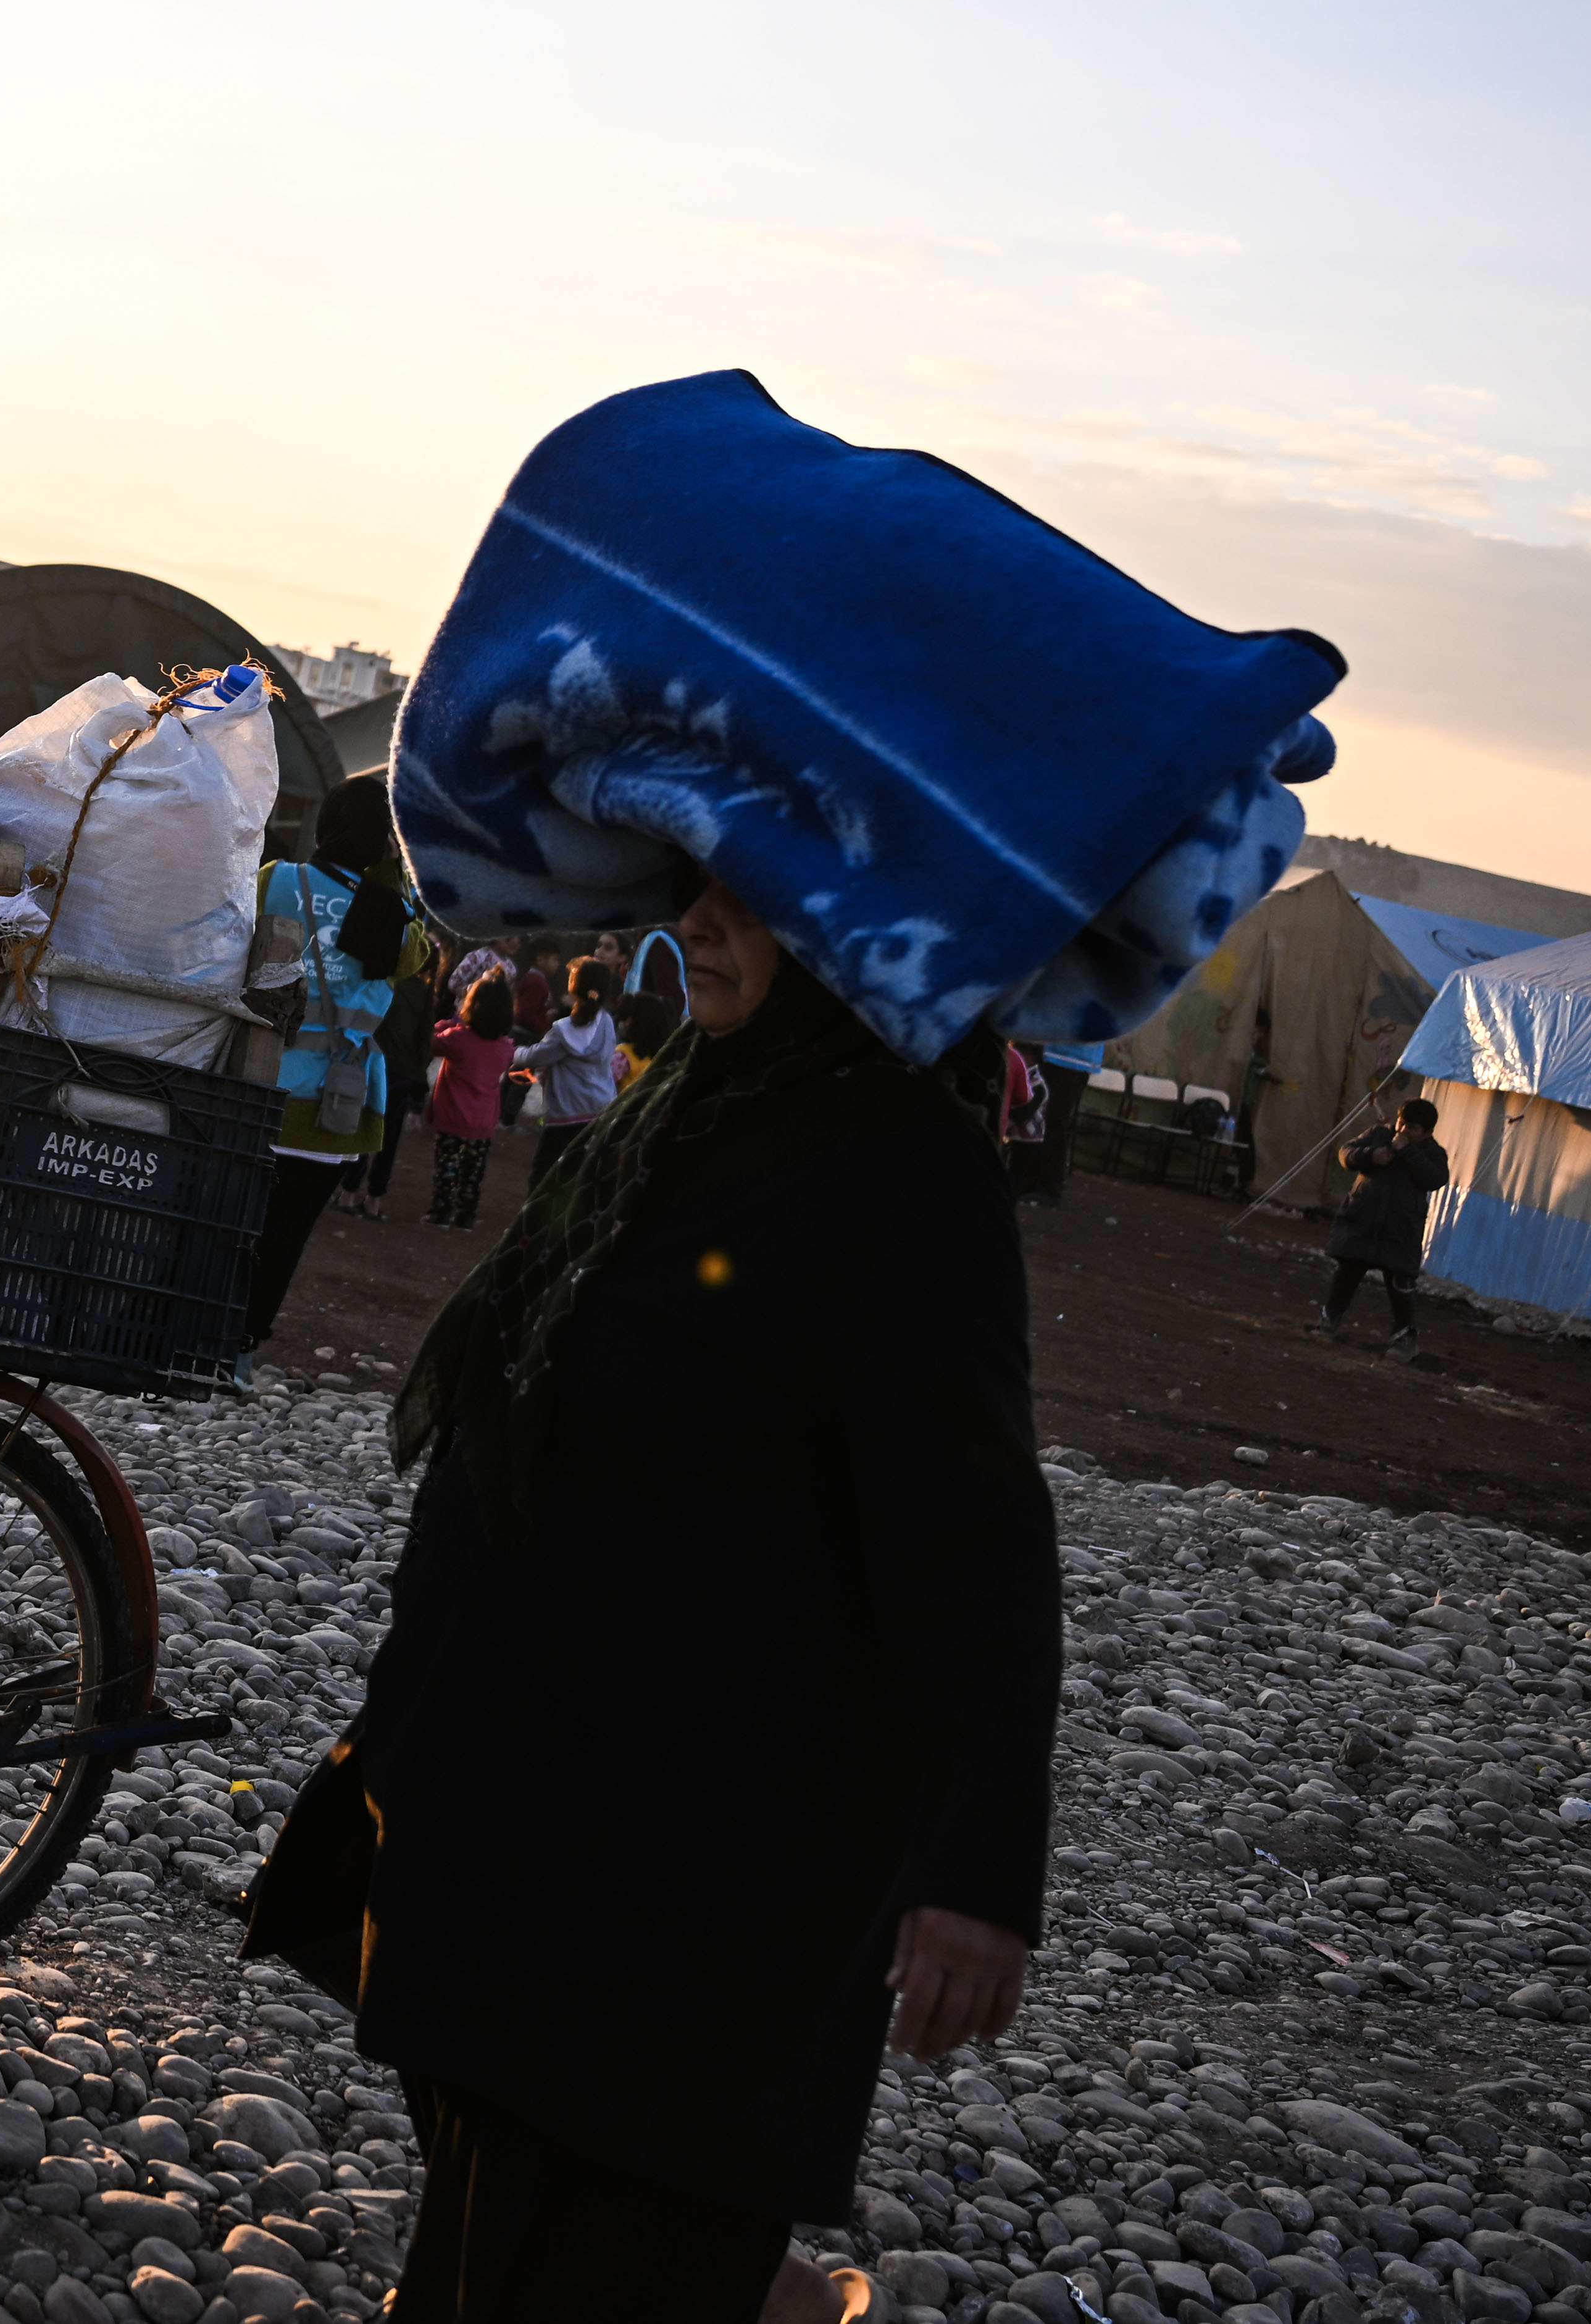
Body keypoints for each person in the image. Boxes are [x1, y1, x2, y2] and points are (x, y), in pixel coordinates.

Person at [246, 871, 1058, 2316]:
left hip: (693, 1878)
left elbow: (975, 1544)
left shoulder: (908, 1185)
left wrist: (978, 1867)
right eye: (706, 880)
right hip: (520, 1805)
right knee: (510, 2205)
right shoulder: (685, 1099)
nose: (707, 916)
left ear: (869, 934)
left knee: (572, 2235)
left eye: (765, 893)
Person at [244, 779, 414, 1350]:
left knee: (228, 1218)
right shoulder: (392, 916)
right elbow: (414, 959)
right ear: (382, 844)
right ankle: (243, 1347)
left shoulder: (278, 881)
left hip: (253, 1084)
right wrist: (389, 873)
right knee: (286, 1235)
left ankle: (194, 1327)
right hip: (332, 1107)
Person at [1313, 1095, 1448, 1358]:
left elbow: (1436, 1178)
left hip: (1400, 1230)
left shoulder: (1433, 1153)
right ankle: (1328, 1322)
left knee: (1400, 1285)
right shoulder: (1378, 1135)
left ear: (1428, 1132)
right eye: (1401, 1123)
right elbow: (1346, 1154)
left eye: (1412, 1128)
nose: (1402, 1131)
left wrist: (1406, 1152)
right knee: (1347, 1274)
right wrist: (1371, 1156)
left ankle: (1405, 1341)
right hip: (1363, 1221)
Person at [512, 957, 625, 1168]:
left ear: (574, 986)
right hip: (601, 1109)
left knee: (544, 1176)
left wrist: (512, 1052)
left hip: (567, 1115)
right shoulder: (607, 1021)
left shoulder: (564, 1030)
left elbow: (534, 1057)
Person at [423, 974, 514, 1228]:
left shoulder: (458, 1039)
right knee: (473, 1173)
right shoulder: (505, 1047)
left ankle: (440, 1212)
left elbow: (431, 1043)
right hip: (483, 1123)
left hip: (452, 1118)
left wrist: (445, 1025)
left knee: (447, 1168)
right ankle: (465, 1216)